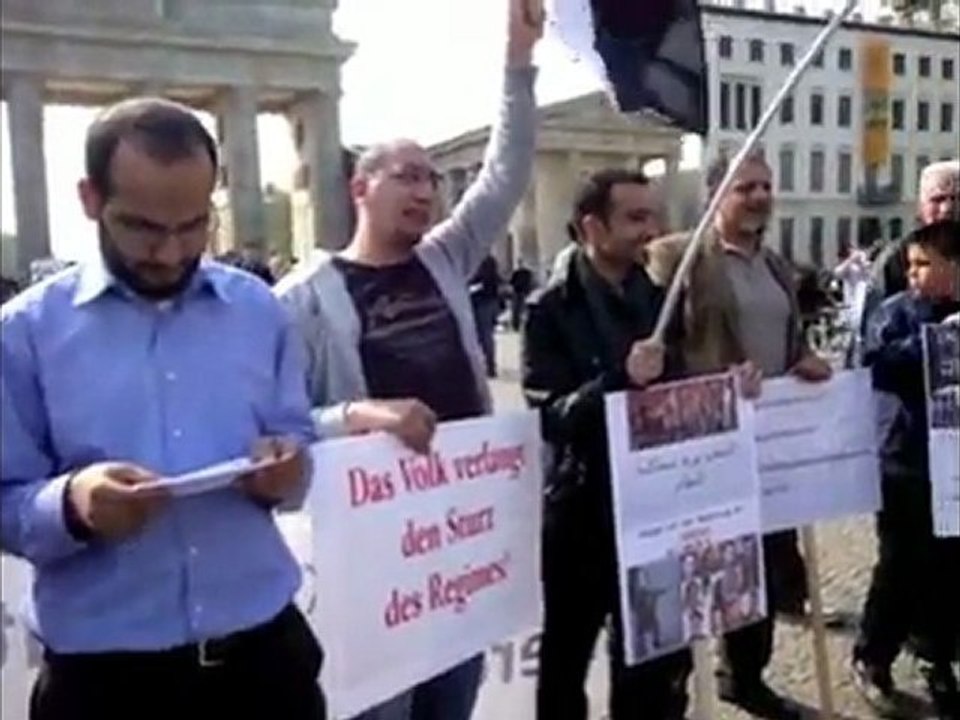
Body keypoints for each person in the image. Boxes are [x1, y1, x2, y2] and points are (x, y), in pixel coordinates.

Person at [0, 98, 324, 720]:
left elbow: (294, 435)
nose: (172, 253)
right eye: (145, 228)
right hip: (108, 684)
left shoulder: (258, 310)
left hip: (265, 663)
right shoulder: (23, 334)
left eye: (195, 225)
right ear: (91, 199)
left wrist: (285, 467)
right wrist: (71, 505)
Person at [274, 3, 541, 719]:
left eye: (431, 179)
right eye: (406, 176)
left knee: (453, 701)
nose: (425, 190)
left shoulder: (446, 258)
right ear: (362, 188)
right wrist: (354, 417)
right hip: (374, 558)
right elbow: (275, 427)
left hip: (459, 537)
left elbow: (506, 173)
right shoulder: (301, 299)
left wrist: (518, 63)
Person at [647, 149, 833, 720]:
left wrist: (805, 358)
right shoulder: (675, 257)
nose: (757, 196)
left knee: (765, 576)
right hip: (704, 447)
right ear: (715, 195)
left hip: (769, 449)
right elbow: (656, 353)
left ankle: (746, 677)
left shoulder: (777, 266)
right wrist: (713, 382)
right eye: (744, 187)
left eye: (764, 186)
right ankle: (671, 690)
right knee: (696, 579)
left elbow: (787, 338)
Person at [522, 169, 692, 720]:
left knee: (652, 658)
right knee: (566, 659)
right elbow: (550, 415)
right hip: (581, 515)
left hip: (656, 507)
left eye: (653, 215)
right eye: (636, 217)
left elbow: (682, 390)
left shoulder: (662, 299)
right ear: (592, 227)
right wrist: (619, 379)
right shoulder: (548, 309)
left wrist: (728, 389)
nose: (652, 229)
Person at [851, 220, 960, 720]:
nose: (912, 274)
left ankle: (937, 658)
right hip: (905, 462)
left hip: (954, 467)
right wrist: (939, 342)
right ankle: (873, 656)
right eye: (910, 265)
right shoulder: (896, 313)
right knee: (897, 565)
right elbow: (876, 363)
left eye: (923, 265)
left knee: (946, 568)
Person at [869, 160, 959, 303]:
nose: (947, 209)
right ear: (921, 206)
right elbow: (876, 318)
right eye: (937, 200)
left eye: (956, 199)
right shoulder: (895, 259)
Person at [470, 254, 503, 376]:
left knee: (484, 334)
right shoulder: (486, 259)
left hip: (483, 301)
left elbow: (485, 281)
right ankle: (486, 364)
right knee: (482, 334)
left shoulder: (484, 260)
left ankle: (489, 366)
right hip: (484, 301)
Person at [509, 258, 535, 330]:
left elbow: (511, 282)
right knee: (519, 310)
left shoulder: (523, 273)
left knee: (519, 309)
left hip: (521, 292)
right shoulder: (521, 273)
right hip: (520, 292)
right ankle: (518, 325)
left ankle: (518, 325)